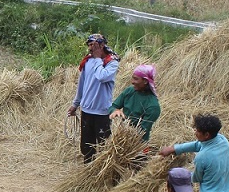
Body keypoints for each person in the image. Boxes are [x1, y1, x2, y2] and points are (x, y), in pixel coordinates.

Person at [67, 33, 119, 162]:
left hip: (102, 111)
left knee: (103, 145)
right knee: (86, 146)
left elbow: (102, 76)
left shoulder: (111, 63)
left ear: (102, 45)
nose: (91, 48)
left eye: (94, 45)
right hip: (86, 110)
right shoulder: (88, 62)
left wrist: (97, 59)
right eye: (89, 45)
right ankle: (88, 170)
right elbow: (82, 84)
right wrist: (75, 104)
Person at [109, 64, 161, 141]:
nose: (132, 82)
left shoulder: (153, 106)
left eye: (136, 79)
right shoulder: (129, 91)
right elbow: (112, 106)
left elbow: (142, 132)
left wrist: (124, 135)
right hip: (119, 137)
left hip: (136, 144)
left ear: (145, 81)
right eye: (132, 78)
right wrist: (115, 111)